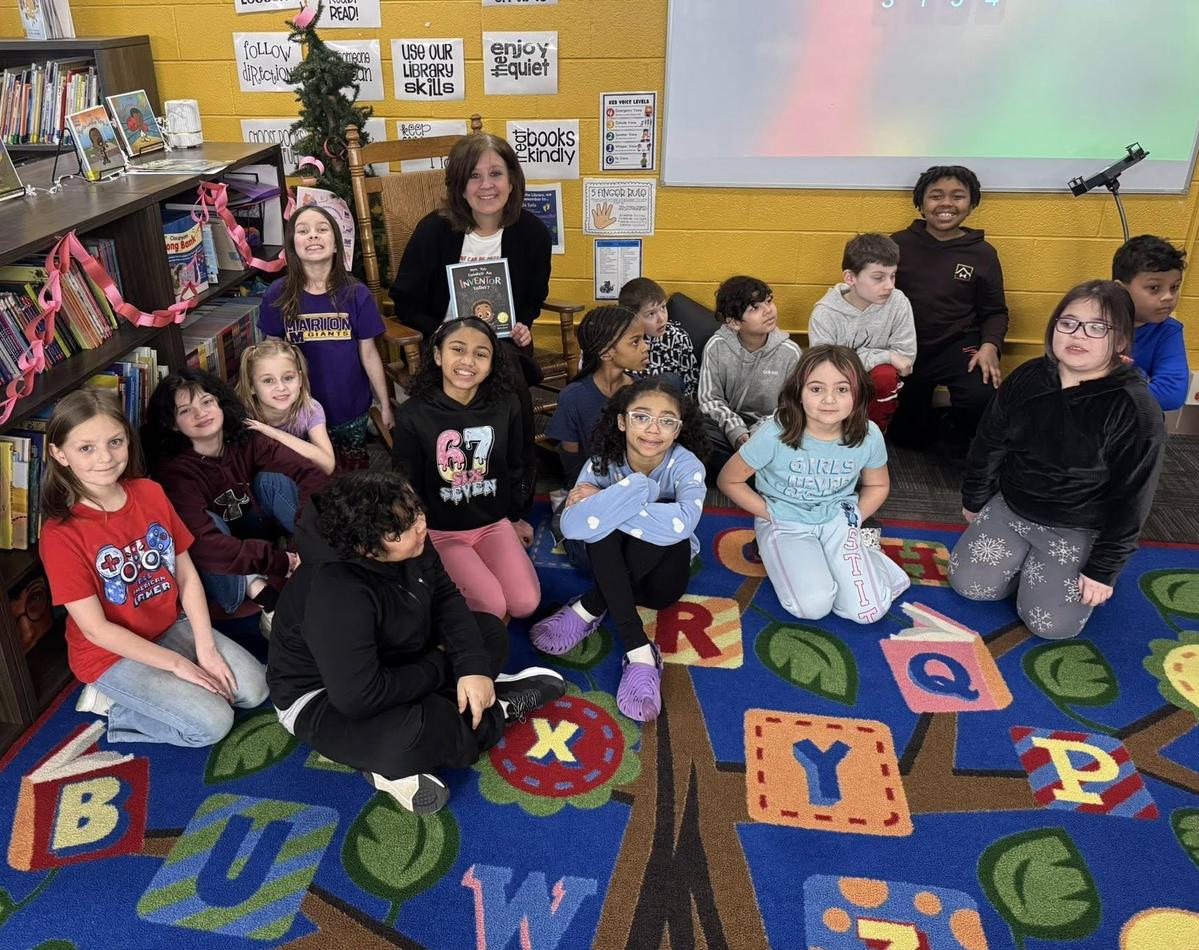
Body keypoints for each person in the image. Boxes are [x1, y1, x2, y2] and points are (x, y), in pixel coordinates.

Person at [267, 471, 565, 814]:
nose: (421, 526)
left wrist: (471, 667)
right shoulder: (335, 592)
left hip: (399, 651)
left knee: (488, 634)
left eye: (416, 511)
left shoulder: (411, 536)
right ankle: (495, 710)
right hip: (323, 698)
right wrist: (441, 666)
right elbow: (359, 698)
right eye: (403, 528)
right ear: (366, 547)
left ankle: (470, 699)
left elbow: (447, 599)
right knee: (412, 735)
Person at [39, 390, 268, 746]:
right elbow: (97, 630)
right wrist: (178, 665)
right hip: (110, 654)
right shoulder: (60, 534)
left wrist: (205, 647)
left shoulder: (148, 492)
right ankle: (115, 709)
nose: (104, 458)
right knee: (212, 724)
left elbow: (187, 575)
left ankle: (172, 687)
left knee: (253, 691)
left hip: (168, 624)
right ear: (59, 453)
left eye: (115, 442)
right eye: (86, 448)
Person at [950, 280, 1165, 640]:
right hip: (1014, 506)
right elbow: (989, 442)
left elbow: (1134, 499)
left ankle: (1049, 570)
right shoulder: (1031, 376)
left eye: (1098, 327)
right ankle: (1027, 564)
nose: (1078, 334)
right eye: (1068, 322)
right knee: (970, 585)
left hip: (1076, 525)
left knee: (1052, 626)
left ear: (1122, 340)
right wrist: (975, 499)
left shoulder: (1135, 408)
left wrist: (1102, 569)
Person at [530, 378, 709, 722]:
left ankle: (591, 605)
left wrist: (606, 501)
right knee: (605, 525)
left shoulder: (688, 466)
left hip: (661, 581)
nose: (653, 429)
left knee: (616, 517)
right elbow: (572, 526)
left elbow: (683, 524)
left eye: (666, 420)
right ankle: (639, 649)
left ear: (678, 430)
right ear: (622, 420)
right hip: (607, 563)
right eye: (641, 417)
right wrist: (631, 499)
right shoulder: (601, 462)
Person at [389, 132, 552, 499]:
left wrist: (523, 324)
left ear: (512, 180)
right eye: (474, 176)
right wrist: (442, 335)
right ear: (459, 185)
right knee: (502, 375)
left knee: (507, 372)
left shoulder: (532, 234)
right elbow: (405, 300)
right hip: (440, 342)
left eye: (495, 174)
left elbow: (533, 297)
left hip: (504, 341)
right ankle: (437, 486)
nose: (486, 185)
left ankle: (517, 483)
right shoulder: (434, 230)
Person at [718, 345, 911, 623]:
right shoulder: (774, 433)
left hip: (837, 517)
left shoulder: (868, 435)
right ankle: (783, 550)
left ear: (859, 393)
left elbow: (878, 486)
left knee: (867, 612)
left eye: (842, 389)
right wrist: (771, 513)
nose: (829, 399)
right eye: (816, 389)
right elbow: (730, 479)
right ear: (798, 392)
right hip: (786, 520)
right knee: (812, 607)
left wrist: (854, 516)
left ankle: (873, 559)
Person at [141, 370, 328, 631]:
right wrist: (278, 561)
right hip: (222, 570)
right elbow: (205, 545)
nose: (201, 414)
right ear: (173, 424)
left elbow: (310, 473)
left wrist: (303, 538)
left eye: (206, 402)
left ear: (219, 403)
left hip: (259, 535)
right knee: (201, 531)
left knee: (273, 481)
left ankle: (320, 555)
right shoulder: (174, 472)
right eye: (185, 411)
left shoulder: (244, 438)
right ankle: (268, 599)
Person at [391, 317, 539, 620]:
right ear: (437, 355)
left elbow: (515, 465)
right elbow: (405, 483)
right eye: (457, 349)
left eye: (480, 354)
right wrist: (415, 537)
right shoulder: (412, 414)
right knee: (493, 607)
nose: (468, 361)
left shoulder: (506, 404)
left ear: (492, 362)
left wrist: (514, 518)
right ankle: (435, 578)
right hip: (441, 531)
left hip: (492, 523)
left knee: (525, 604)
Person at [257, 204, 392, 471]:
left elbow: (369, 353)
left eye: (322, 229)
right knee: (313, 479)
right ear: (292, 245)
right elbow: (268, 353)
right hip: (298, 413)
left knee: (355, 479)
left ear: (336, 245)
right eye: (303, 231)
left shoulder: (356, 293)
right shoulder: (278, 294)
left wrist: (385, 404)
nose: (313, 236)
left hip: (350, 408)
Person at [890, 165, 1009, 452]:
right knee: (908, 439)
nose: (946, 204)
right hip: (907, 346)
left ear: (972, 204)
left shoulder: (983, 254)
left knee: (981, 394)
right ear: (920, 203)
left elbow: (995, 311)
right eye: (935, 196)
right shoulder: (896, 245)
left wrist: (990, 346)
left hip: (959, 346)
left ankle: (959, 433)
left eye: (957, 196)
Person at [808, 233, 917, 433]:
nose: (889, 285)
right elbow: (826, 366)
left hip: (876, 388)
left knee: (884, 375)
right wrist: (886, 355)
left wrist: (883, 359)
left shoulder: (898, 302)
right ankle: (834, 434)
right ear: (850, 278)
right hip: (836, 385)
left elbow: (906, 361)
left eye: (893, 275)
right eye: (878, 278)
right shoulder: (825, 313)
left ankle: (873, 435)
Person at [698, 275, 802, 478]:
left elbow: (791, 407)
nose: (768, 310)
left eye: (769, 301)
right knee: (698, 429)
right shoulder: (717, 347)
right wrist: (736, 431)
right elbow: (709, 399)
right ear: (734, 322)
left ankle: (741, 473)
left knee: (798, 435)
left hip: (772, 429)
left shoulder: (790, 352)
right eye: (755, 308)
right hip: (727, 429)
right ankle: (756, 474)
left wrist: (758, 433)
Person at [546, 305, 649, 485]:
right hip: (589, 486)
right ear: (607, 352)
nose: (645, 346)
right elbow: (570, 457)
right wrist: (587, 491)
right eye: (635, 341)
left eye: (643, 339)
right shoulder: (573, 397)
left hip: (637, 484)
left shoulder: (644, 393)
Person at [236, 338, 336, 476]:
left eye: (288, 378)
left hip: (299, 475)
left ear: (300, 379)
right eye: (268, 380)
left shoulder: (310, 409)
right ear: (252, 385)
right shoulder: (243, 414)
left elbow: (327, 465)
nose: (281, 388)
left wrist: (273, 433)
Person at [1112, 234, 1189, 411]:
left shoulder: (1168, 331)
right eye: (1154, 288)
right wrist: (1142, 384)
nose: (1168, 297)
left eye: (1174, 287)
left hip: (1131, 425)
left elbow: (1171, 395)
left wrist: (1131, 375)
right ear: (1120, 290)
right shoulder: (1092, 322)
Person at [620, 277, 699, 396]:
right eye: (651, 314)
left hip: (672, 405)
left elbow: (691, 386)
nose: (662, 318)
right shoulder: (623, 343)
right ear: (632, 317)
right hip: (633, 404)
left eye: (663, 307)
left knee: (670, 380)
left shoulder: (678, 337)